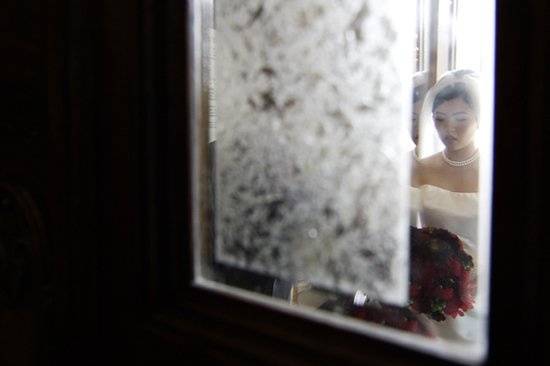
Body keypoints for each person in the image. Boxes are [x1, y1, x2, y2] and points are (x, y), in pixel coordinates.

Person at [411, 69, 484, 343]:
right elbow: (407, 231)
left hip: (482, 291)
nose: (448, 130)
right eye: (439, 120)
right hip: (429, 296)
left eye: (460, 119)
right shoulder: (421, 169)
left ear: (478, 119)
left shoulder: (493, 171)